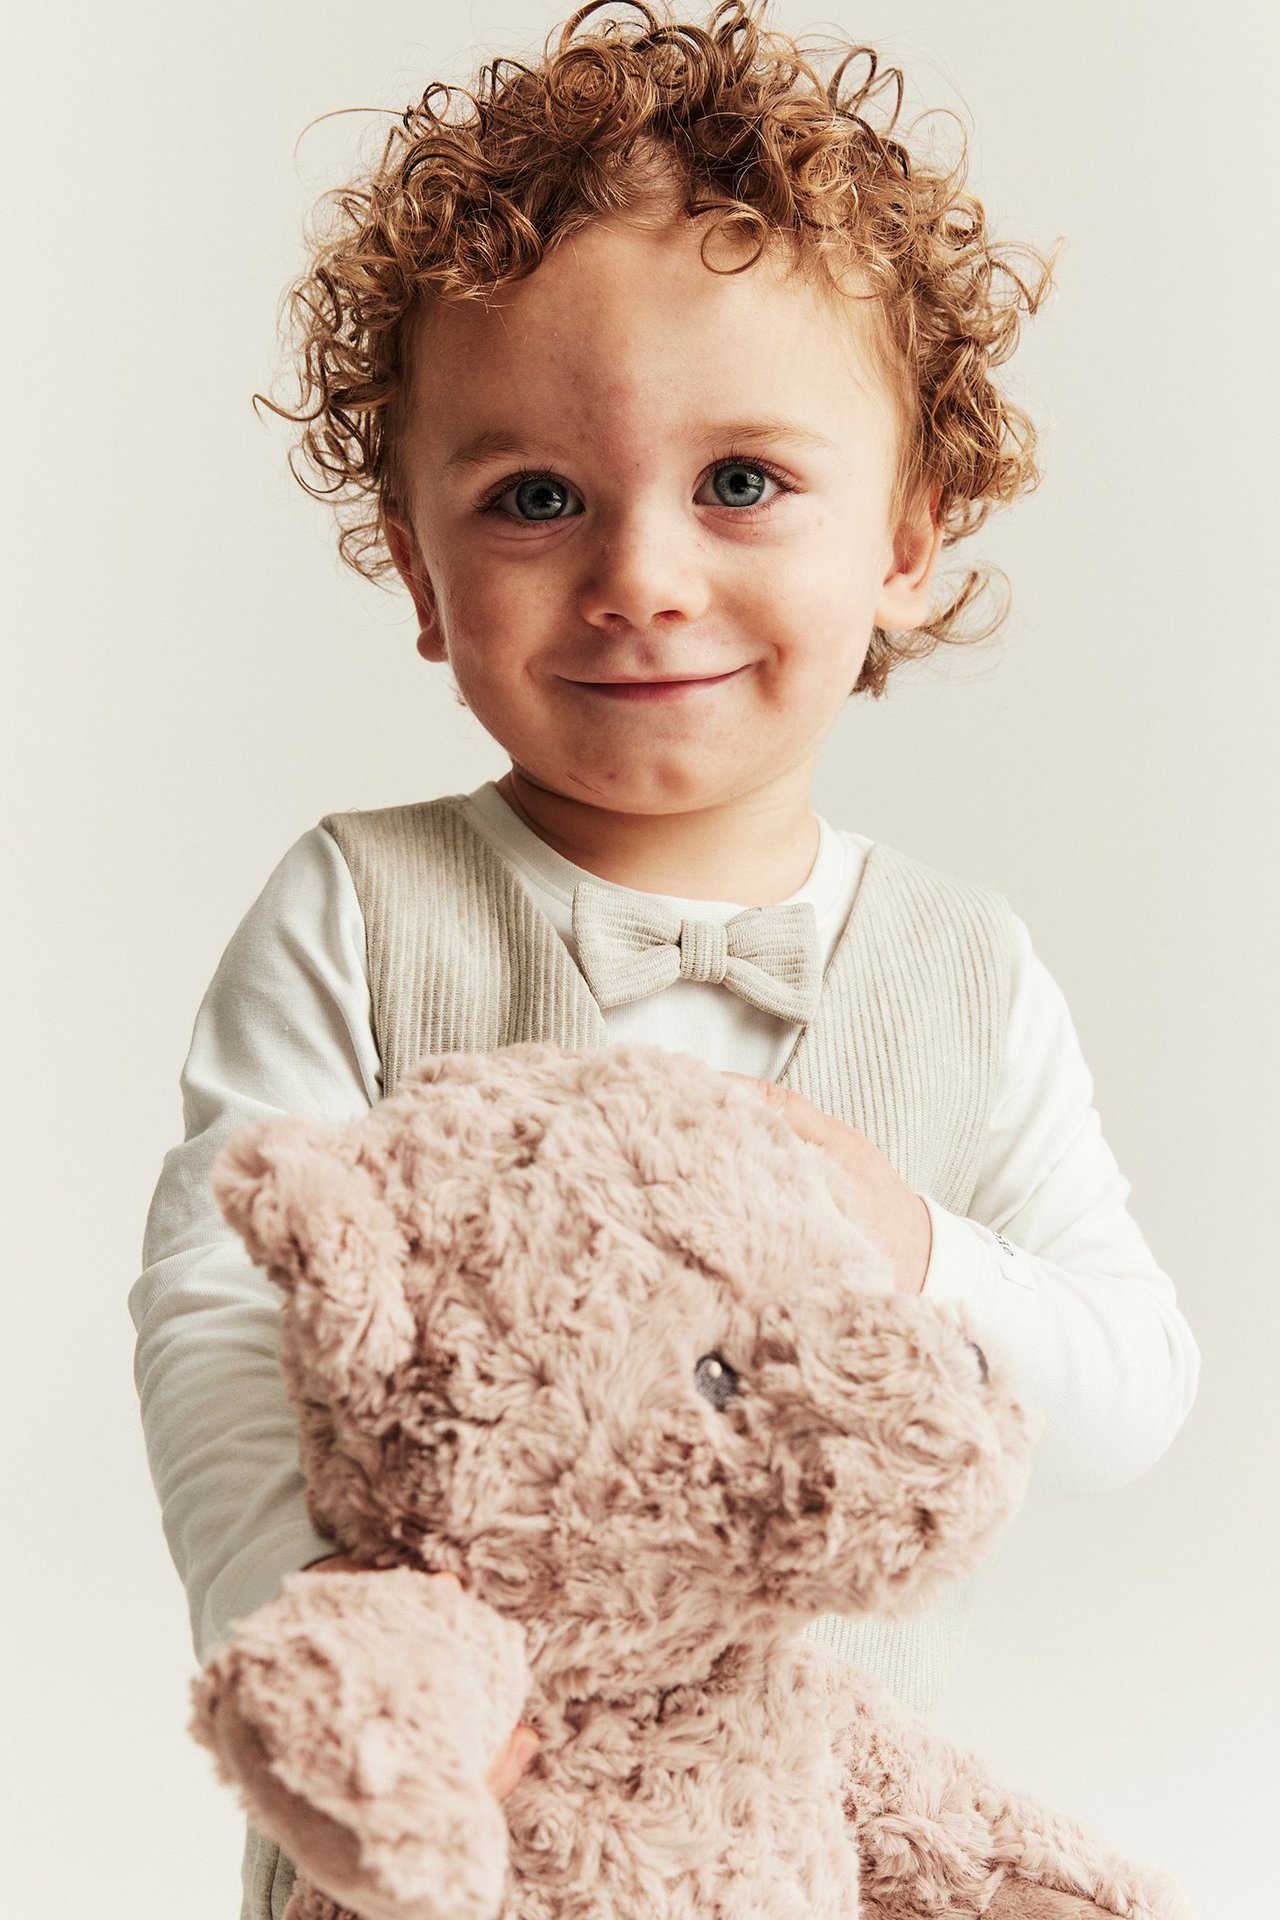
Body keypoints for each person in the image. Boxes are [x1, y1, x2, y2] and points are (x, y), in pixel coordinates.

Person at [130, 3, 1199, 1913]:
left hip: (809, 1831)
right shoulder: (358, 910)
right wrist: (339, 1661)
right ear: (415, 564)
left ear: (909, 536)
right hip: (441, 1834)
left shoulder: (962, 969)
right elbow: (221, 1320)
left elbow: (1133, 1386)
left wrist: (924, 1258)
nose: (642, 572)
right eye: (533, 497)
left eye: (743, 483)